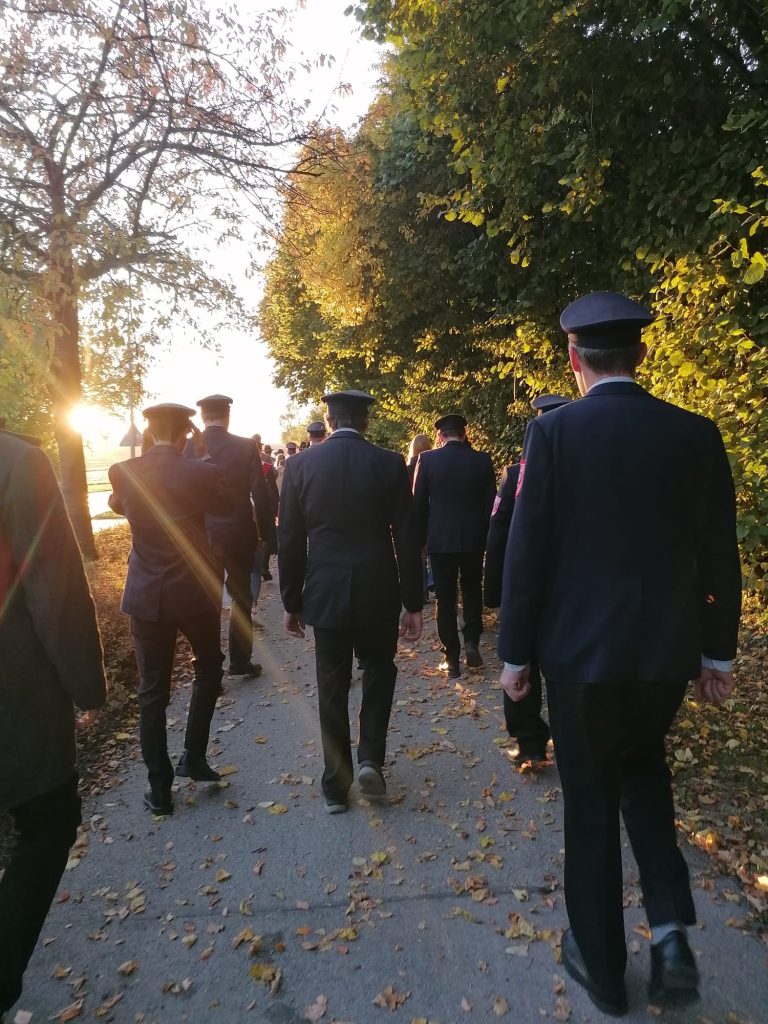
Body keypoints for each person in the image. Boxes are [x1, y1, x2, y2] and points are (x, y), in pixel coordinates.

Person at [498, 291, 742, 1015]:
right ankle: (670, 934)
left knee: (591, 805)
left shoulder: (554, 436)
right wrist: (717, 655)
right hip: (664, 656)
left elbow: (527, 551)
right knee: (644, 774)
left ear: (574, 359)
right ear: (642, 354)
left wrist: (515, 654)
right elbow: (719, 554)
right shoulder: (696, 434)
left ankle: (604, 969)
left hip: (578, 662)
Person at [0, 428, 107, 1016]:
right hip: (13, 691)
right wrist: (86, 686)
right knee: (47, 826)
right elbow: (54, 588)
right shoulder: (17, 462)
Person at [278, 389, 423, 813]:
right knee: (379, 672)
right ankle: (371, 760)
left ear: (329, 417)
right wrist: (413, 602)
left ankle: (335, 786)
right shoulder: (389, 463)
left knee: (331, 684)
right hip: (378, 590)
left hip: (324, 593)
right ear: (365, 421)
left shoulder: (300, 465)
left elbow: (289, 539)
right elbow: (407, 536)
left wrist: (291, 600)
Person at [109, 403, 232, 813]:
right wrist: (204, 453)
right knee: (210, 668)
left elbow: (118, 504)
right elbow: (226, 505)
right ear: (186, 434)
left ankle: (159, 789)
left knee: (151, 693)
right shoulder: (200, 471)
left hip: (146, 595)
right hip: (194, 593)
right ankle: (193, 755)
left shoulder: (123, 473)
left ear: (147, 432)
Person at [484, 394, 571, 765]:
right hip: (571, 592)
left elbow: (498, 529)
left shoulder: (516, 475)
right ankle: (570, 740)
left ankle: (530, 744)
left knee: (521, 659)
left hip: (527, 585)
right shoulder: (591, 468)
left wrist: (494, 588)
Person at [413, 414, 496, 677]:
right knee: (472, 590)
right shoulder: (481, 460)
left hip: (440, 540)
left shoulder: (427, 460)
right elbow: (492, 504)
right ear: (464, 433)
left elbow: (418, 504)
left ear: (440, 436)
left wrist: (421, 541)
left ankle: (451, 657)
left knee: (445, 597)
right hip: (473, 539)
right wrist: (487, 536)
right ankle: (472, 642)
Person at [196, 394, 272, 678]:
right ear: (227, 416)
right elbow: (259, 494)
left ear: (203, 417)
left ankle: (208, 669)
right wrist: (265, 534)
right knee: (241, 597)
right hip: (238, 532)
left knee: (206, 601)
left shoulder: (190, 445)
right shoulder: (244, 445)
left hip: (201, 536)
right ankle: (240, 661)